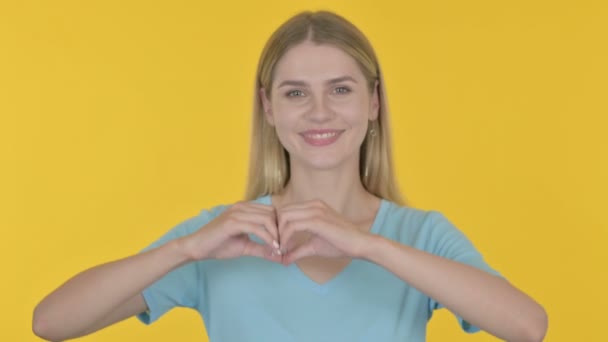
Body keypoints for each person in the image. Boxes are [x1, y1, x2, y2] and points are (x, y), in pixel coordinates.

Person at [32, 10, 548, 342]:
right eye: (296, 92)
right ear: (269, 108)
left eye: (341, 90)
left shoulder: (419, 236)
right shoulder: (225, 236)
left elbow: (527, 327)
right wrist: (186, 248)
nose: (319, 112)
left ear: (372, 103)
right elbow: (51, 323)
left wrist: (367, 245)